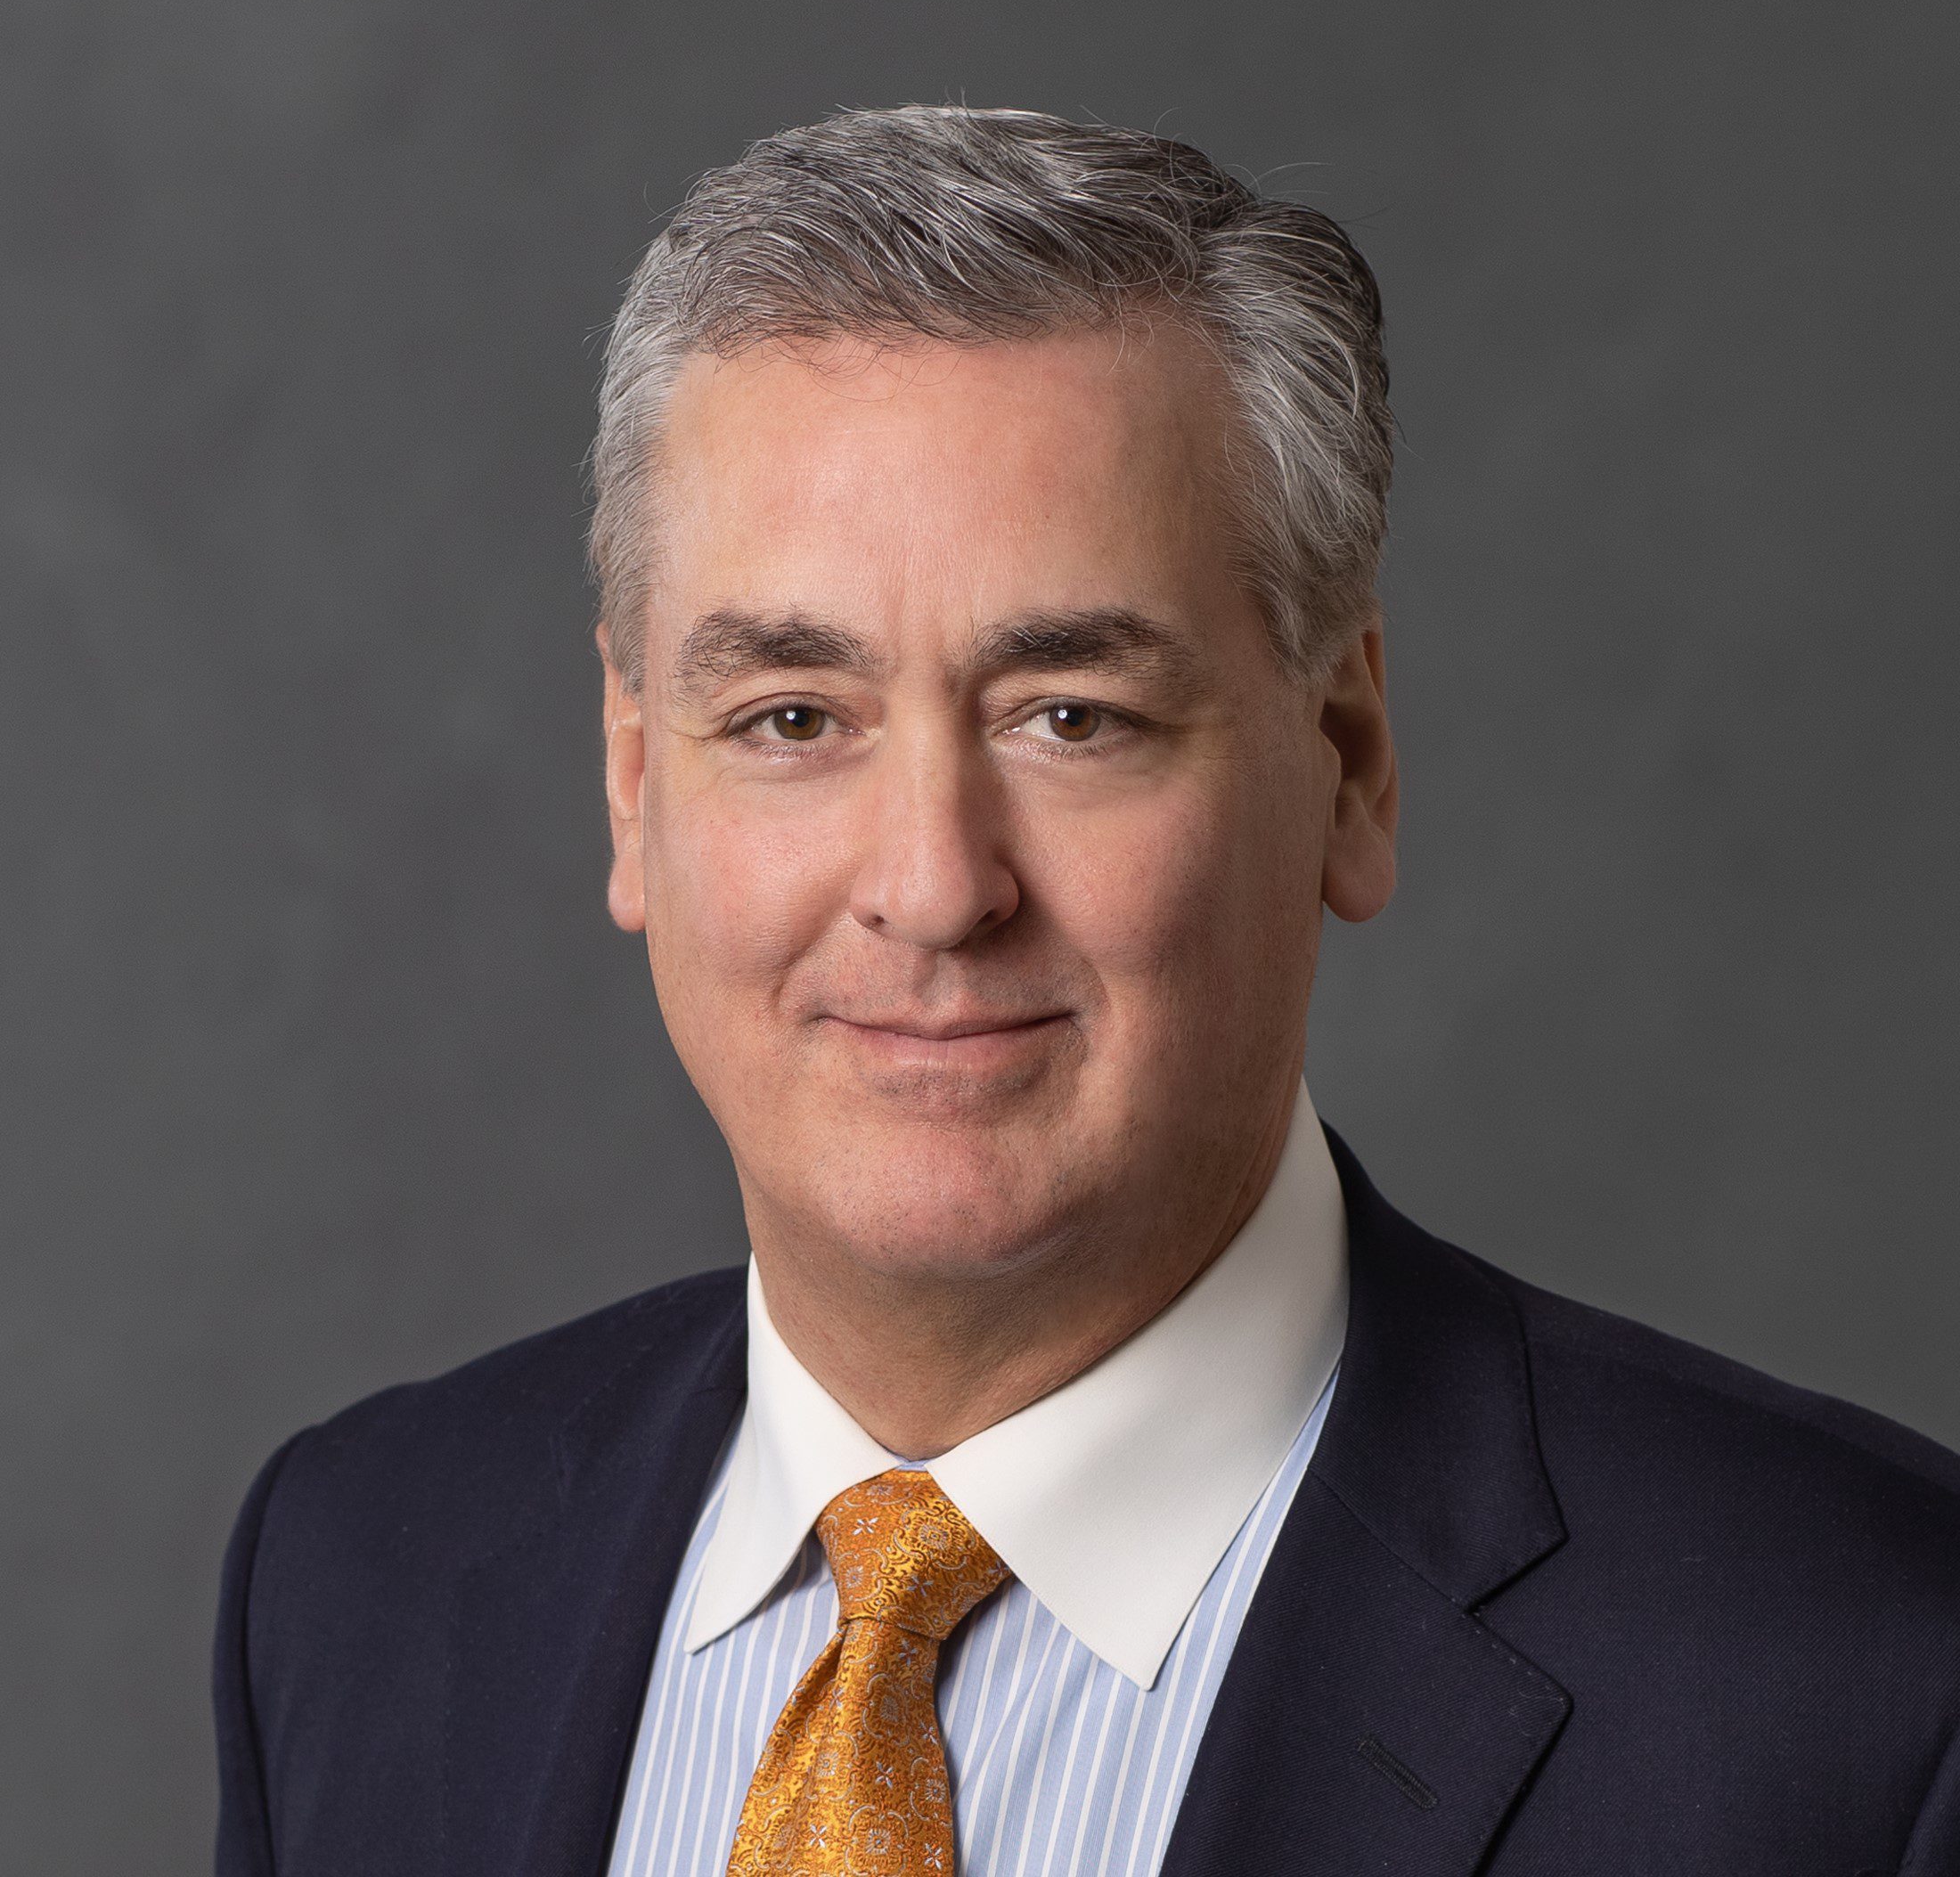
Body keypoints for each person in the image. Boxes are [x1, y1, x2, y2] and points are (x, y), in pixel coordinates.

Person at [212, 106, 1960, 1876]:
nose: (932, 884)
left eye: (1071, 715)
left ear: (1345, 761)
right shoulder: (361, 1575)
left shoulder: (1865, 1685)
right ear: (631, 782)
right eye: (793, 717)